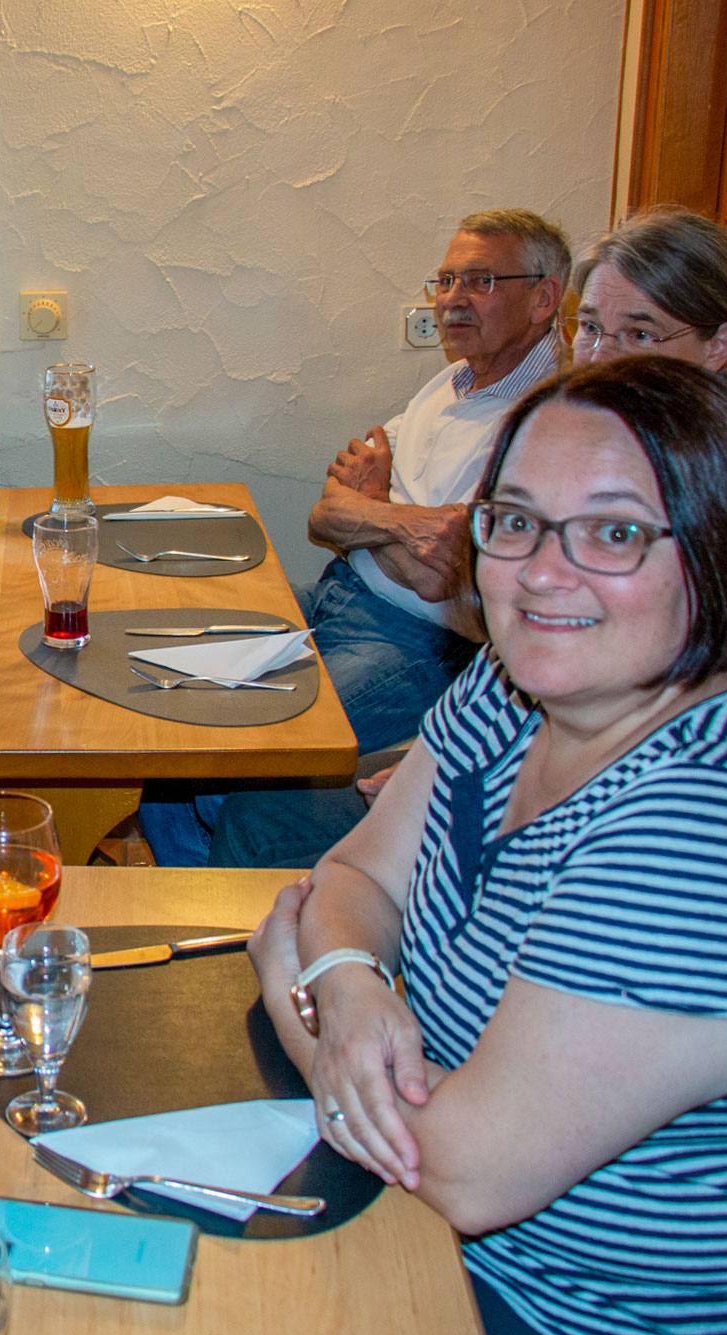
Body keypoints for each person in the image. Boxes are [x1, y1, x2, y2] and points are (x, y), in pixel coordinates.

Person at [248, 357, 727, 1335]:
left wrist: (302, 999)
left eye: (611, 532)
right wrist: (344, 981)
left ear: (725, 544)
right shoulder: (524, 690)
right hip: (433, 1245)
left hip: (582, 1332)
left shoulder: (709, 830)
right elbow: (351, 879)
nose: (539, 574)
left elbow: (459, 1171)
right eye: (511, 520)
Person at [208, 206, 727, 869]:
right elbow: (484, 622)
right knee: (183, 693)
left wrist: (448, 780)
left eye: (639, 332)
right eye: (593, 331)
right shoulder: (568, 440)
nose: (602, 359)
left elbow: (466, 591)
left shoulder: (704, 501)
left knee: (245, 796)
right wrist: (435, 758)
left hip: (513, 780)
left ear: (719, 345)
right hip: (465, 728)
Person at [142, 208, 571, 866]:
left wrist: (374, 514)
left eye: (479, 281)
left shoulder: (547, 418)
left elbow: (451, 574)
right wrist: (405, 520)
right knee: (155, 680)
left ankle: (221, 900)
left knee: (229, 745)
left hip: (416, 644)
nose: (452, 298)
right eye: (446, 280)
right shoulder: (448, 384)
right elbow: (326, 516)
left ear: (544, 298)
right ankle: (192, 880)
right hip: (334, 594)